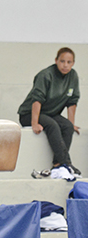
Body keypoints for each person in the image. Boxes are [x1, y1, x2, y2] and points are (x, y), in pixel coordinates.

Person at [18, 47, 81, 178]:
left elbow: (72, 102)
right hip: (29, 114)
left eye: (69, 62)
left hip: (50, 114)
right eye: (62, 61)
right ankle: (66, 163)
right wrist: (34, 123)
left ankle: (57, 164)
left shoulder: (73, 76)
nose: (65, 65)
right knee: (52, 125)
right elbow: (37, 100)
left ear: (73, 63)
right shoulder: (45, 75)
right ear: (56, 61)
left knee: (67, 127)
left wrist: (72, 123)